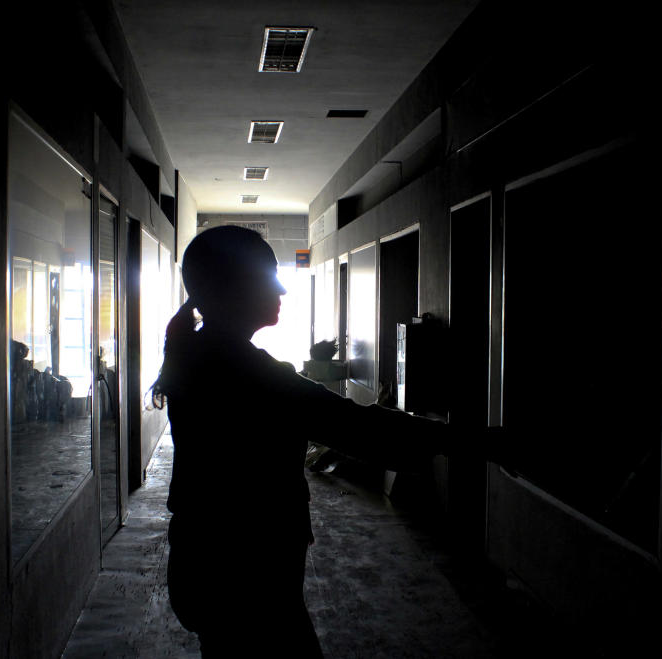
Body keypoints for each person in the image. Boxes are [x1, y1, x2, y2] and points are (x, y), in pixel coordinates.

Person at [153, 226, 503, 657]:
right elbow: (362, 429)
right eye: (268, 274)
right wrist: (482, 444)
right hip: (246, 578)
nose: (281, 287)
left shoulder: (203, 357)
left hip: (210, 567)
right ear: (233, 288)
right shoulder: (249, 375)